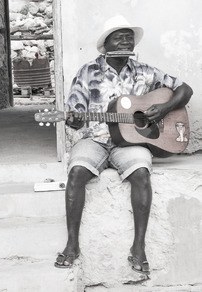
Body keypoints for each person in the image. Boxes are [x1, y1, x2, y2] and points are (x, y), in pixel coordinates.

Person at [54, 15, 193, 274]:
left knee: (141, 173)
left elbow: (185, 90)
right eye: (120, 36)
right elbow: (75, 115)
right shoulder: (87, 73)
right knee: (76, 173)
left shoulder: (145, 71)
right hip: (95, 140)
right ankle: (72, 244)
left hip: (130, 144)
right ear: (105, 44)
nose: (126, 40)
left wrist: (163, 109)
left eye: (129, 36)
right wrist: (72, 120)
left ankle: (138, 247)